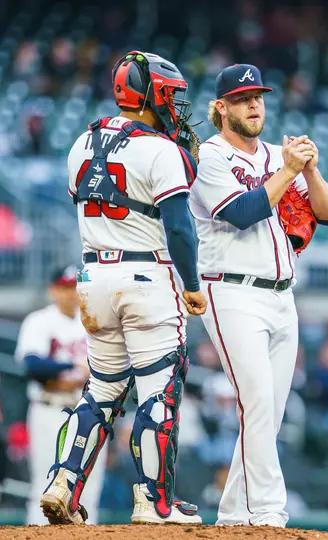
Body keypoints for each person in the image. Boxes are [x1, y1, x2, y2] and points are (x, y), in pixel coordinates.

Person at [40, 50, 207, 525]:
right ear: (151, 92)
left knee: (101, 391)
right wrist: (192, 283)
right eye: (171, 94)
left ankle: (63, 483)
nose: (176, 104)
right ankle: (154, 504)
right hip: (147, 277)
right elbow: (179, 229)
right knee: (160, 391)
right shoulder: (161, 149)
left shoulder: (81, 141)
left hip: (93, 276)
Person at [189, 63, 328, 527]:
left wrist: (309, 172)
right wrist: (288, 170)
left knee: (268, 414)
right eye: (241, 98)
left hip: (281, 294)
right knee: (255, 401)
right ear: (221, 107)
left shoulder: (278, 154)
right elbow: (242, 212)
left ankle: (234, 513)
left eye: (258, 96)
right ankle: (269, 511)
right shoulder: (208, 156)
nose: (254, 104)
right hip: (231, 292)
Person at [15, 265, 106, 525]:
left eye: (75, 287)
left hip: (89, 412)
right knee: (45, 484)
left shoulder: (94, 321)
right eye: (65, 287)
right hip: (50, 409)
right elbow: (32, 366)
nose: (71, 294)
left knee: (88, 488)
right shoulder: (40, 320)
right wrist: (74, 367)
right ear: (53, 290)